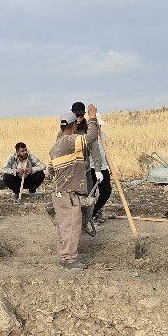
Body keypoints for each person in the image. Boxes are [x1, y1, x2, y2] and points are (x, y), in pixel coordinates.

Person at [49, 103, 100, 269]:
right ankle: (68, 259)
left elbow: (50, 169)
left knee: (65, 226)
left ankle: (64, 254)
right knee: (71, 226)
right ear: (74, 125)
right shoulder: (70, 141)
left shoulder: (56, 146)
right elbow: (91, 136)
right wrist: (92, 116)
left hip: (61, 193)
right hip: (67, 194)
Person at [71, 100, 107, 232]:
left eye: (81, 116)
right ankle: (73, 226)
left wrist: (98, 170)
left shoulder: (87, 130)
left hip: (85, 171)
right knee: (73, 202)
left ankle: (85, 223)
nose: (79, 119)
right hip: (70, 173)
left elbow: (95, 151)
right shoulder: (66, 130)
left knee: (88, 201)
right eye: (76, 116)